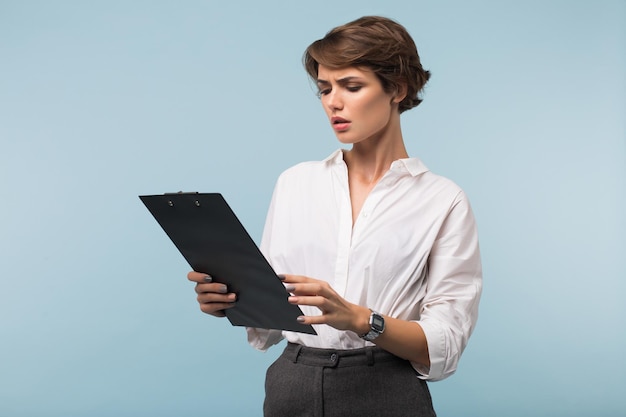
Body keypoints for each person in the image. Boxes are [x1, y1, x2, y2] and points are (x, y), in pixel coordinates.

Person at [188, 15, 482, 417]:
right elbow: (270, 322)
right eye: (325, 88)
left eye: (351, 86)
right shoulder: (296, 183)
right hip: (292, 384)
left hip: (386, 389)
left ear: (397, 88)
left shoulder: (442, 200)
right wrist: (228, 300)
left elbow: (445, 343)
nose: (333, 102)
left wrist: (361, 319)